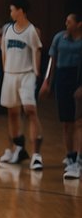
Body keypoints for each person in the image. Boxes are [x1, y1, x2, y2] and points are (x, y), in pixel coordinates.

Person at [0, 0, 43, 170]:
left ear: (21, 11)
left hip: (27, 74)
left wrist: (37, 72)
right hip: (10, 74)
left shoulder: (32, 30)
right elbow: (3, 51)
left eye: (12, 10)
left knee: (30, 110)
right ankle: (17, 148)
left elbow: (37, 51)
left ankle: (37, 154)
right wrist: (5, 71)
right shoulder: (7, 29)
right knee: (12, 113)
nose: (10, 13)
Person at [40, 10, 81, 179]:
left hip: (78, 78)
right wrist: (47, 82)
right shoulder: (59, 38)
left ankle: (79, 160)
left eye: (69, 21)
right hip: (62, 79)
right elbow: (52, 61)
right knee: (67, 122)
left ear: (79, 24)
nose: (66, 24)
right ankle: (70, 156)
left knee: (79, 122)